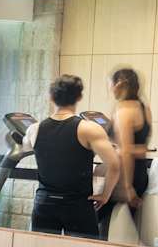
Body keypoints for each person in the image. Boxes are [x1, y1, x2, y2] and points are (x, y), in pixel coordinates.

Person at [25, 74, 121, 237]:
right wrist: (105, 195)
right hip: (78, 205)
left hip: (45, 204)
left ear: (51, 97)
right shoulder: (89, 129)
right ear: (79, 97)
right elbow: (114, 165)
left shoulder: (34, 129)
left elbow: (27, 146)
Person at [98, 67, 152, 239]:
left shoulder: (124, 110)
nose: (109, 88)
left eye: (110, 84)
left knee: (94, 223)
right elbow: (140, 146)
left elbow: (126, 150)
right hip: (140, 173)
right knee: (135, 231)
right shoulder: (144, 108)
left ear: (118, 85)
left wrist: (128, 187)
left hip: (124, 176)